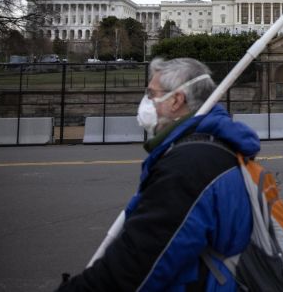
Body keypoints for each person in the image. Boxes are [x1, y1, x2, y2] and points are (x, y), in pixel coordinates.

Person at [58, 57, 261, 291]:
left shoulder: (189, 164)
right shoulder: (210, 145)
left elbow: (140, 262)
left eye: (151, 94)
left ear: (176, 100)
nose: (147, 102)